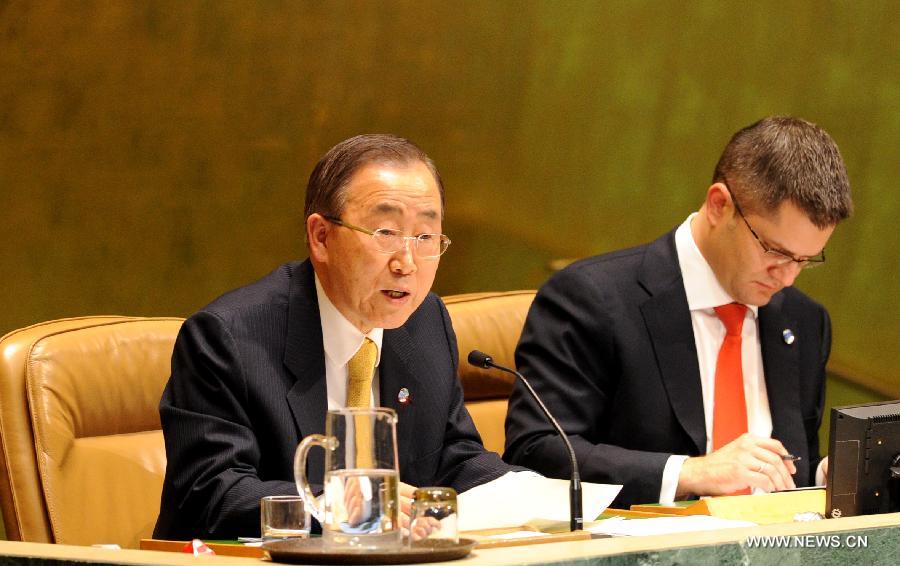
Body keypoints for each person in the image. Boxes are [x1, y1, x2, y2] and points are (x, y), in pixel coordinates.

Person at [154, 134, 517, 539]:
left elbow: (455, 455)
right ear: (321, 237)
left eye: (426, 236)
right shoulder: (229, 339)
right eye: (385, 232)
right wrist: (351, 507)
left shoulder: (425, 321)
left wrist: (535, 494)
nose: (408, 263)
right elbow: (212, 493)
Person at [504, 116, 853, 508]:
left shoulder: (804, 321)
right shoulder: (592, 299)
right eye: (774, 251)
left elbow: (783, 472)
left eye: (804, 260)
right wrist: (691, 473)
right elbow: (535, 451)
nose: (787, 278)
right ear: (720, 205)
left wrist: (828, 478)